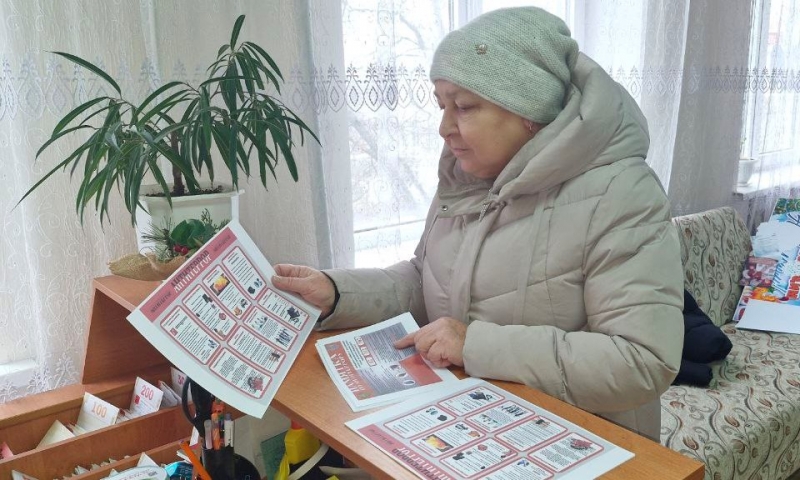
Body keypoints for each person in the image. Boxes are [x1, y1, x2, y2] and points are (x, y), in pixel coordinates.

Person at [272, 7, 683, 441]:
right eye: (441, 106)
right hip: (479, 429)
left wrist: (474, 344)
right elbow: (425, 280)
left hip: (585, 443)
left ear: (528, 110)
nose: (444, 127)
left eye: (464, 107)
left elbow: (642, 361)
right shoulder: (465, 178)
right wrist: (337, 292)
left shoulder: (622, 193)